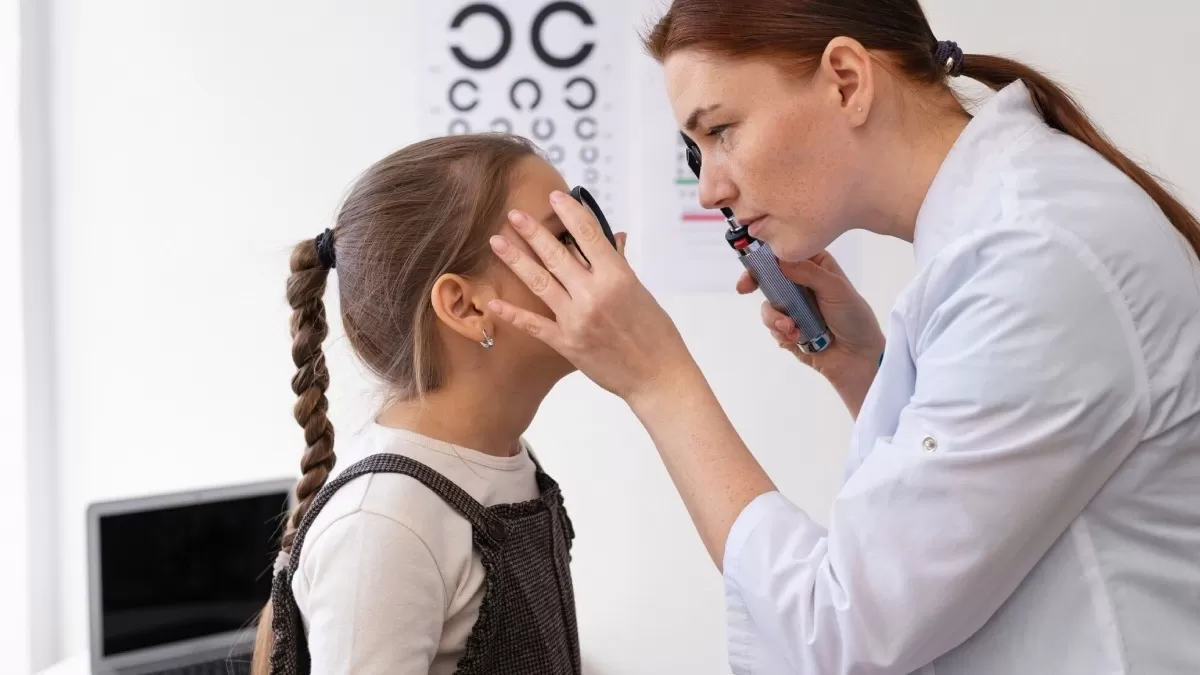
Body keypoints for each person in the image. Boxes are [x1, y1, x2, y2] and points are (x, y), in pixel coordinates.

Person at [482, 0, 1200, 673]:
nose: (710, 189)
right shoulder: (1009, 231)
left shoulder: (1035, 256)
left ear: (848, 81)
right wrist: (868, 371)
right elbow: (973, 505)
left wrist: (657, 377)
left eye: (721, 130)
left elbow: (841, 627)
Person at [250, 134, 618, 675]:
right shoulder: (385, 522)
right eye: (563, 240)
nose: (601, 258)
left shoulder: (506, 461)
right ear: (466, 306)